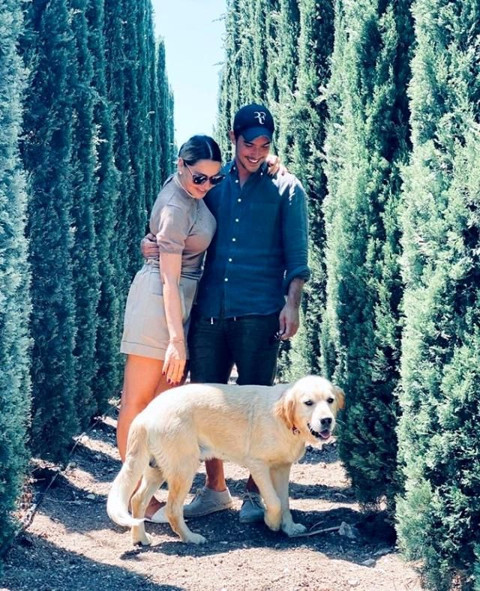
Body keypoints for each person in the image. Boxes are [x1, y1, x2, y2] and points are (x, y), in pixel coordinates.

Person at [142, 104, 310, 525]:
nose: (256, 152)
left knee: (261, 406)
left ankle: (256, 494)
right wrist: (152, 241)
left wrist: (292, 303)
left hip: (259, 312)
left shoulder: (286, 188)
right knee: (207, 403)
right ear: (233, 138)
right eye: (249, 143)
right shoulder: (212, 183)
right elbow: (178, 209)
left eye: (265, 145)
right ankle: (215, 490)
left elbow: (298, 257)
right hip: (209, 311)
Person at [117, 135, 223, 522]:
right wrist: (176, 339)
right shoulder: (178, 205)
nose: (206, 186)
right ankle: (136, 498)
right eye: (199, 178)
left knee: (162, 404)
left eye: (214, 179)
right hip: (159, 301)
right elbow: (167, 278)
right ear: (181, 165)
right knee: (138, 402)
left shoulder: (187, 189)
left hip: (182, 300)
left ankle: (147, 493)